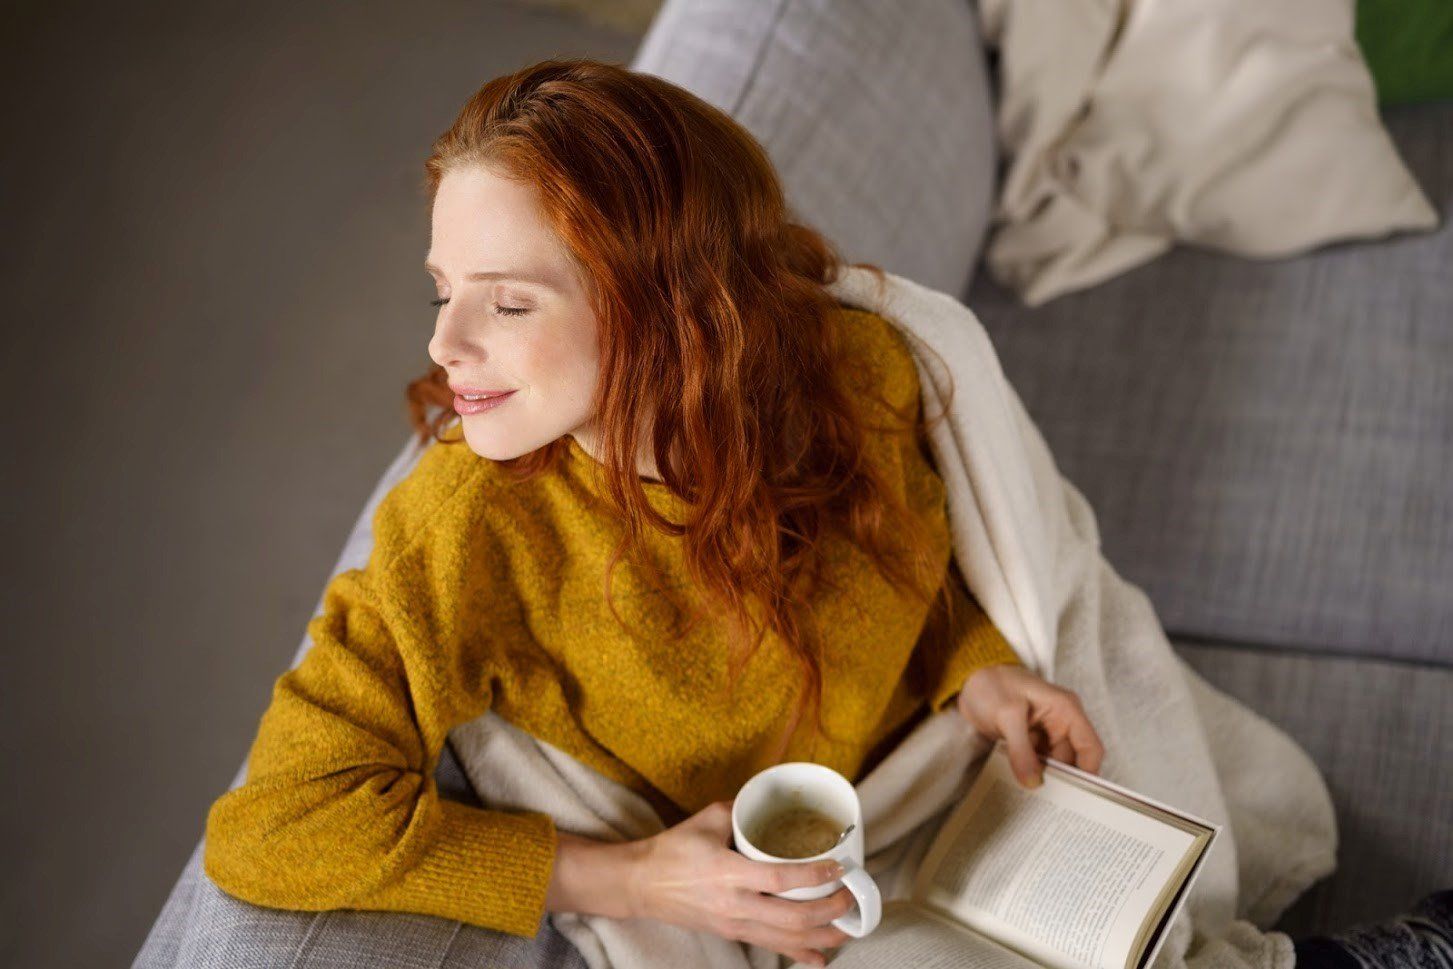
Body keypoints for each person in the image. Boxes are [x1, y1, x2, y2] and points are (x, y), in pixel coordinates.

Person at [200, 56, 1449, 969]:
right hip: (778, 880)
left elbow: (941, 552)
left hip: (950, 782)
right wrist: (625, 876)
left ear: (668, 308)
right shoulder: (464, 533)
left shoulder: (853, 370)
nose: (446, 344)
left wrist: (978, 668)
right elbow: (272, 830)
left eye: (507, 302)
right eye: (441, 290)